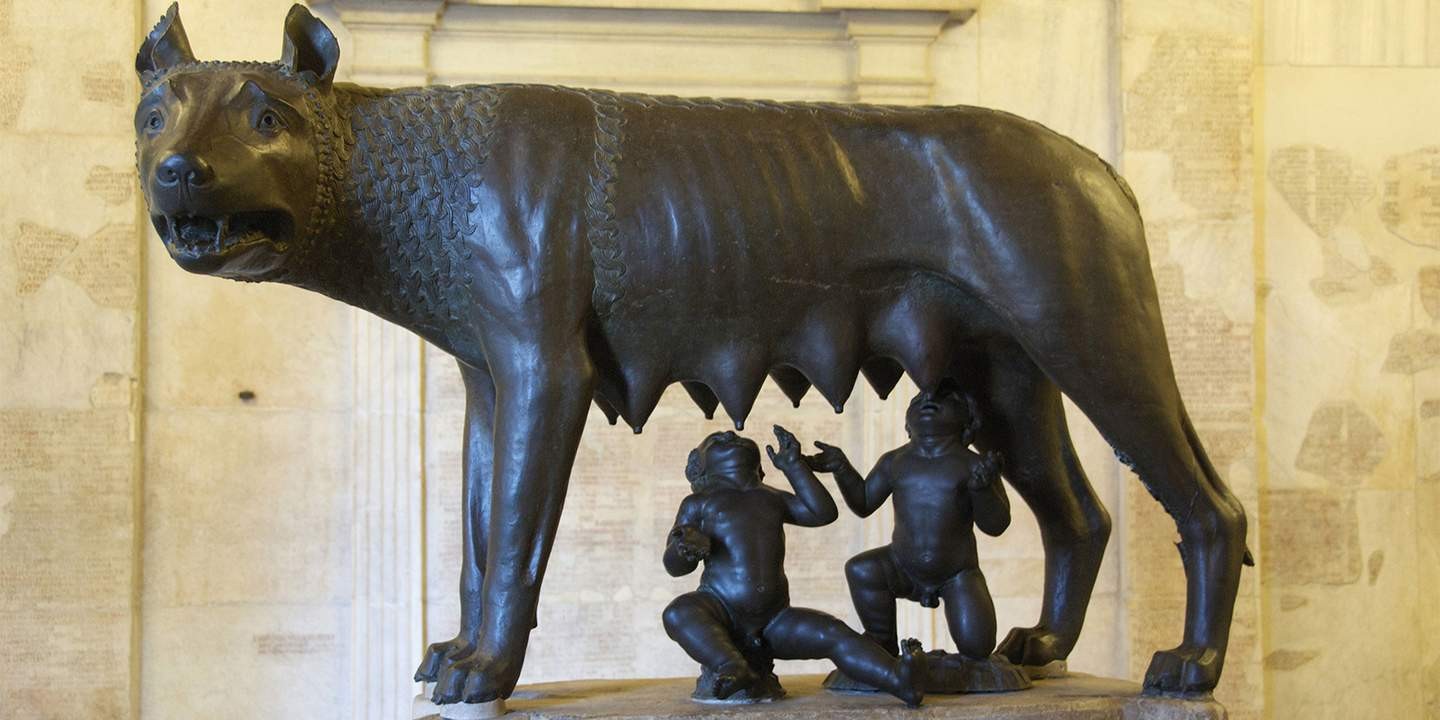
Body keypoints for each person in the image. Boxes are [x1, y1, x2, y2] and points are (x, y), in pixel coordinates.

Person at [661, 426, 926, 706]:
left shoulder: (772, 497)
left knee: (834, 633)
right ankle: (730, 665)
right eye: (716, 439)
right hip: (720, 608)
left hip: (776, 619)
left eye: (732, 436)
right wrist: (685, 548)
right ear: (699, 468)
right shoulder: (698, 503)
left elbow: (822, 513)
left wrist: (794, 466)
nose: (729, 434)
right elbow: (673, 566)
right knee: (679, 612)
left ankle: (899, 680)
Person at [808, 386, 1009, 662]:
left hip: (957, 573)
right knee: (862, 570)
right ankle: (882, 640)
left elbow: (996, 525)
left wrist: (983, 490)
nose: (928, 399)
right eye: (919, 399)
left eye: (944, 397)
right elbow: (864, 502)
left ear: (968, 420)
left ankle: (967, 658)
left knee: (978, 649)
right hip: (901, 565)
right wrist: (842, 469)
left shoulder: (975, 465)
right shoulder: (895, 462)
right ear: (907, 422)